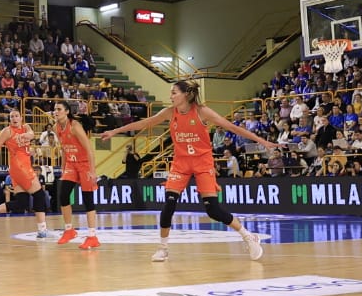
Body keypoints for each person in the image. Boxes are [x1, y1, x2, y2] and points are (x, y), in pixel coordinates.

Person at [101, 79, 273, 263]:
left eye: (174, 92)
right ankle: (163, 248)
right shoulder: (169, 112)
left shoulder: (201, 112)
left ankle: (248, 236)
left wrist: (263, 142)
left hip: (202, 163)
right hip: (181, 164)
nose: (171, 95)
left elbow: (231, 127)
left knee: (213, 210)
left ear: (186, 95)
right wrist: (115, 131)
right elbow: (144, 123)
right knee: (168, 205)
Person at [0, 108, 53, 236]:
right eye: (11, 116)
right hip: (20, 167)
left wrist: (25, 136)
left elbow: (32, 134)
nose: (13, 118)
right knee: (39, 195)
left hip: (19, 168)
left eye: (16, 116)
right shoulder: (7, 131)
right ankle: (42, 230)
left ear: (21, 118)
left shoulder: (26, 127)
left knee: (21, 202)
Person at [50, 101, 101, 249]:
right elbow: (64, 148)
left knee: (87, 199)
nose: (56, 112)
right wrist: (63, 167)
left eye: (59, 109)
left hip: (84, 163)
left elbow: (89, 150)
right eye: (55, 109)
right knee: (63, 195)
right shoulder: (56, 127)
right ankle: (69, 230)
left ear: (66, 112)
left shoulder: (75, 126)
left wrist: (92, 171)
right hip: (71, 164)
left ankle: (92, 236)